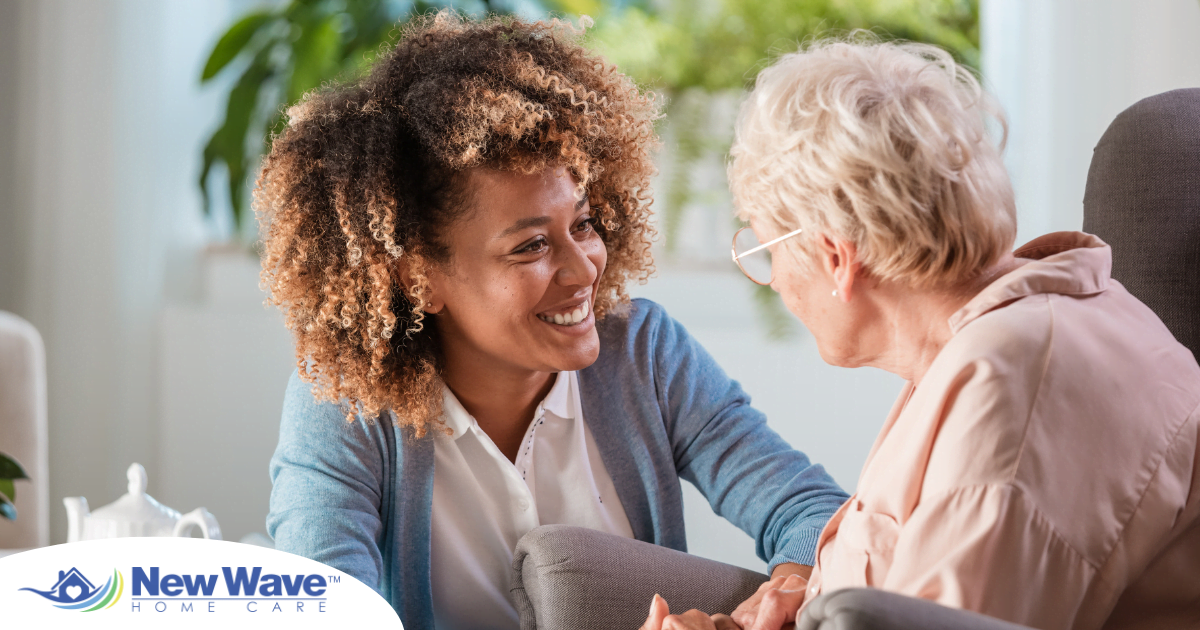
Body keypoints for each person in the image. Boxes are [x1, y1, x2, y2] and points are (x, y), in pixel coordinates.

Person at [257, 12, 849, 630]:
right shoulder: (346, 403)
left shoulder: (644, 354)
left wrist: (779, 598)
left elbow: (813, 513)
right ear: (418, 278)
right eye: (530, 247)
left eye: (584, 225)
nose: (584, 269)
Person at [643, 37, 1200, 630]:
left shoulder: (1013, 388)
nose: (773, 280)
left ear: (836, 257)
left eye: (765, 247)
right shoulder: (988, 346)